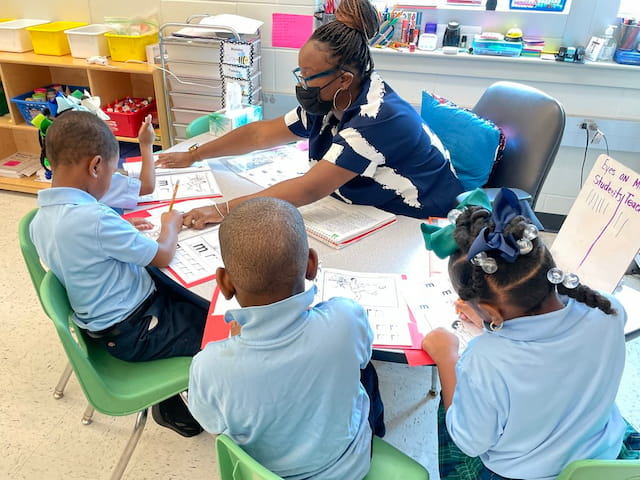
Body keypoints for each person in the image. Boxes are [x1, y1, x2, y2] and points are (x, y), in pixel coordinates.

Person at [157, 0, 463, 229]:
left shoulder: (379, 118)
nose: (302, 82)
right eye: (300, 71)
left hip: (421, 219)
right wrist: (195, 155)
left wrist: (222, 211)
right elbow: (259, 134)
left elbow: (310, 187)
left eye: (309, 75)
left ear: (344, 78)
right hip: (367, 206)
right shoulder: (331, 99)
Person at [421, 188, 630, 480]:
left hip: (522, 473)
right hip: (601, 457)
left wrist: (448, 359)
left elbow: (470, 443)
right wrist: (488, 319)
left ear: (491, 312)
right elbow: (552, 358)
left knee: (452, 411)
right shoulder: (609, 310)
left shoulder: (485, 359)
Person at [30, 110, 208, 437]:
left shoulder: (41, 220)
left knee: (197, 303)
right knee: (219, 331)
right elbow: (163, 253)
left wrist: (117, 229)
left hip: (108, 324)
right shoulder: (93, 219)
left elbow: (80, 248)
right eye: (111, 173)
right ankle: (197, 402)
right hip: (136, 330)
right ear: (95, 166)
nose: (111, 181)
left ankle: (170, 402)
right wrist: (171, 224)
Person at [188, 197, 379, 479]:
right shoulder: (346, 317)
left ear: (224, 283)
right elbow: (362, 360)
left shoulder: (209, 366)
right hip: (350, 467)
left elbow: (214, 425)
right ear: (311, 264)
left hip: (264, 474)